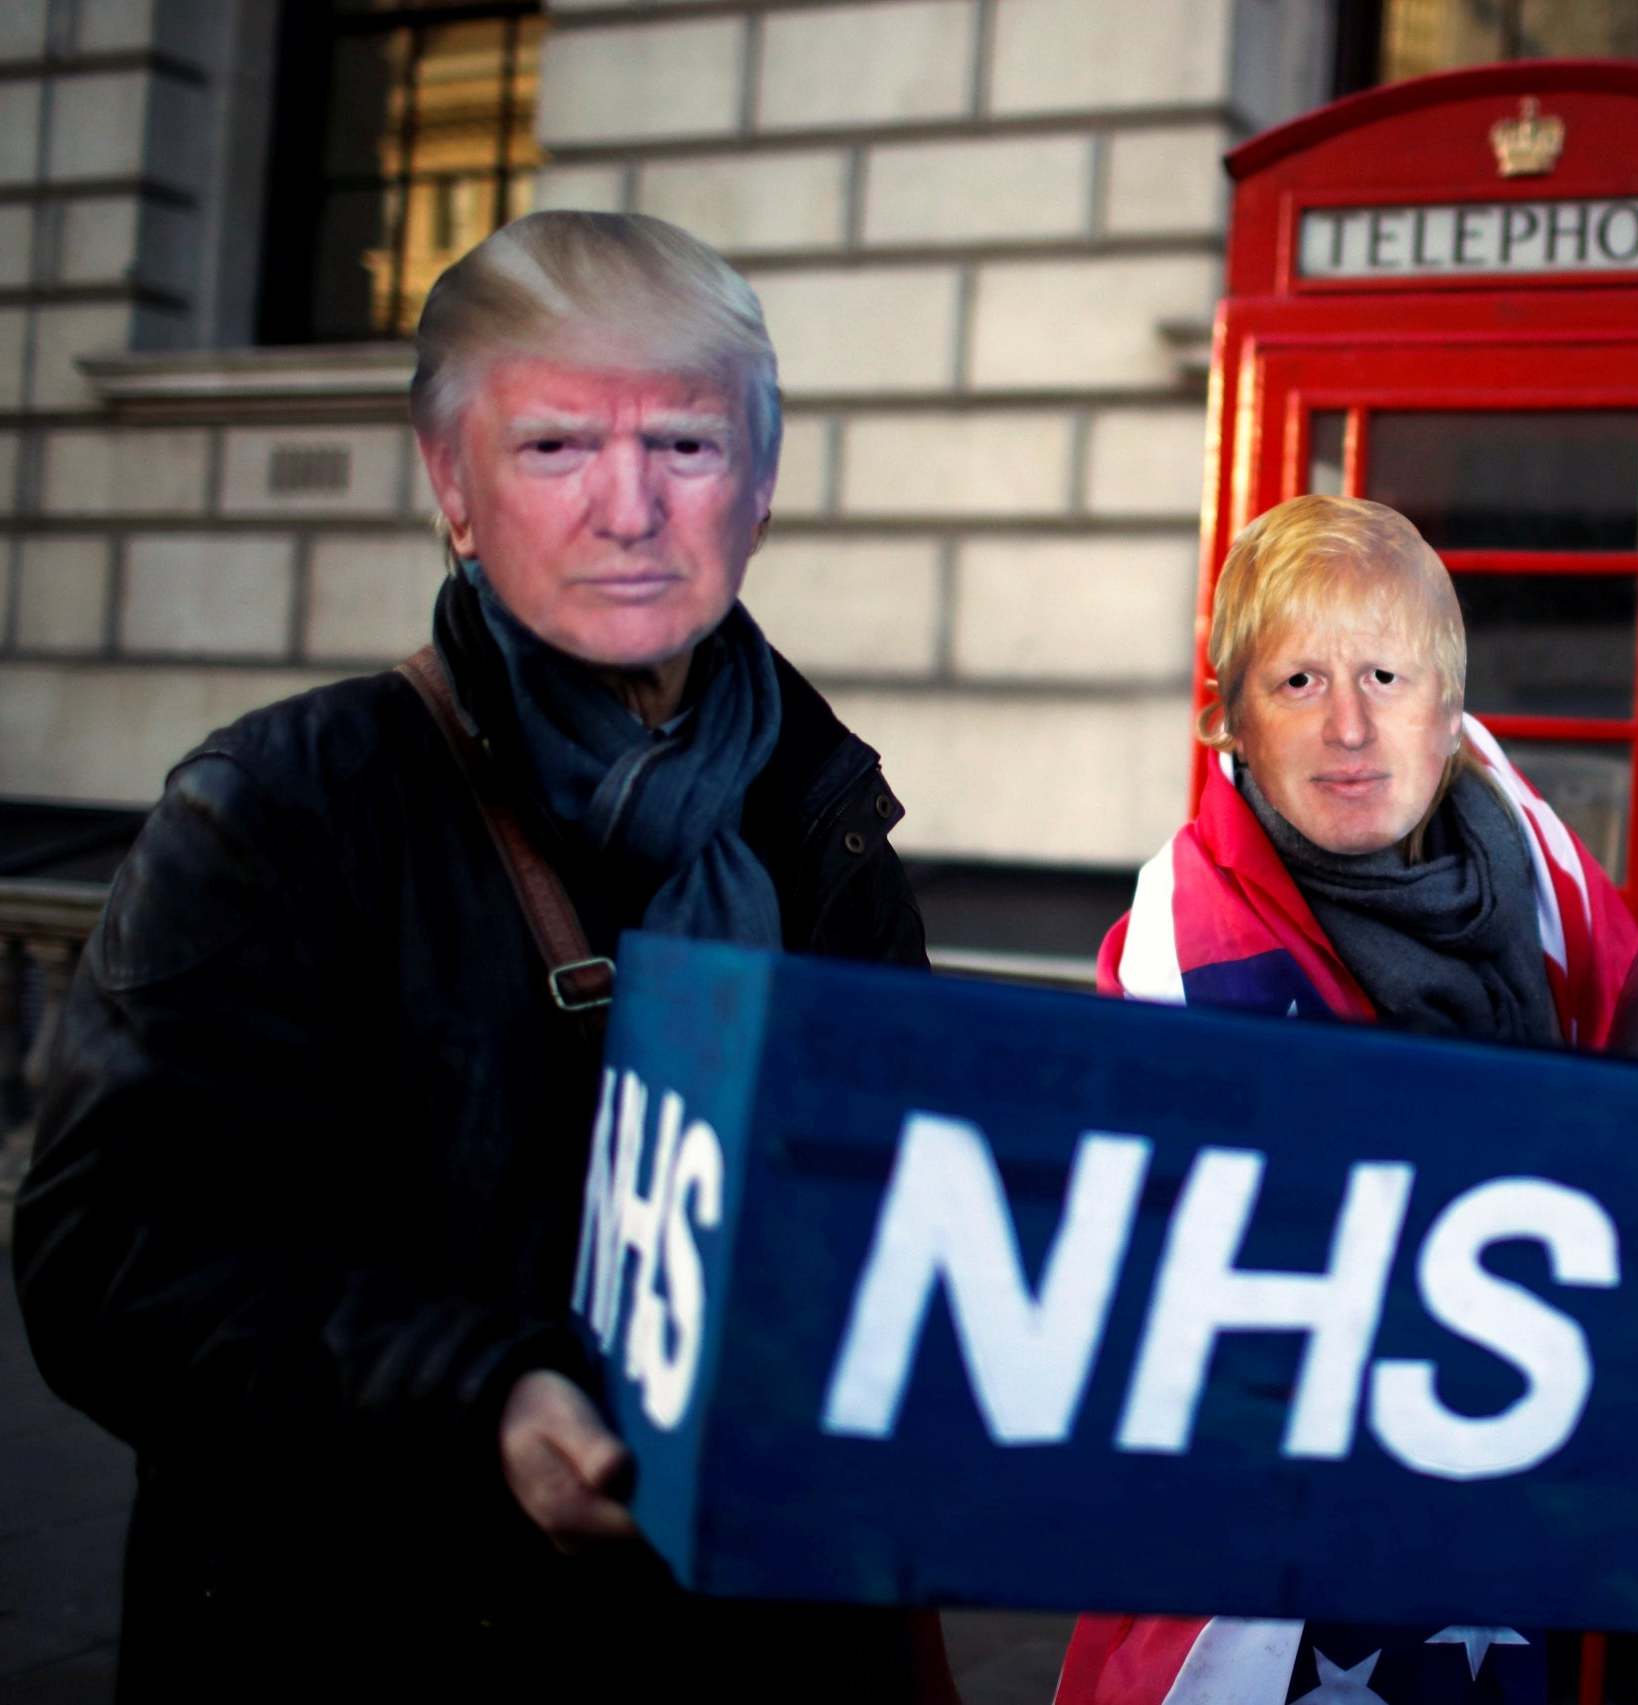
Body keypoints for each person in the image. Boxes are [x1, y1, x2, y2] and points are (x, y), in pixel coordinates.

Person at [13, 212, 952, 1698]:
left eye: (689, 448)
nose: (628, 508)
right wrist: (481, 1392)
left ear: (761, 492)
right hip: (380, 1632)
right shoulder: (282, 804)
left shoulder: (822, 818)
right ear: (454, 488)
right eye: (557, 447)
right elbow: (110, 1265)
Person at [1056, 494, 1638, 1705]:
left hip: (1491, 1492)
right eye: (1297, 681)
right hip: (1273, 1552)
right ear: (1230, 722)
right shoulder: (1180, 950)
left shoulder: (1533, 877)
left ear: (1447, 710)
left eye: (1385, 673)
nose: (1349, 726)